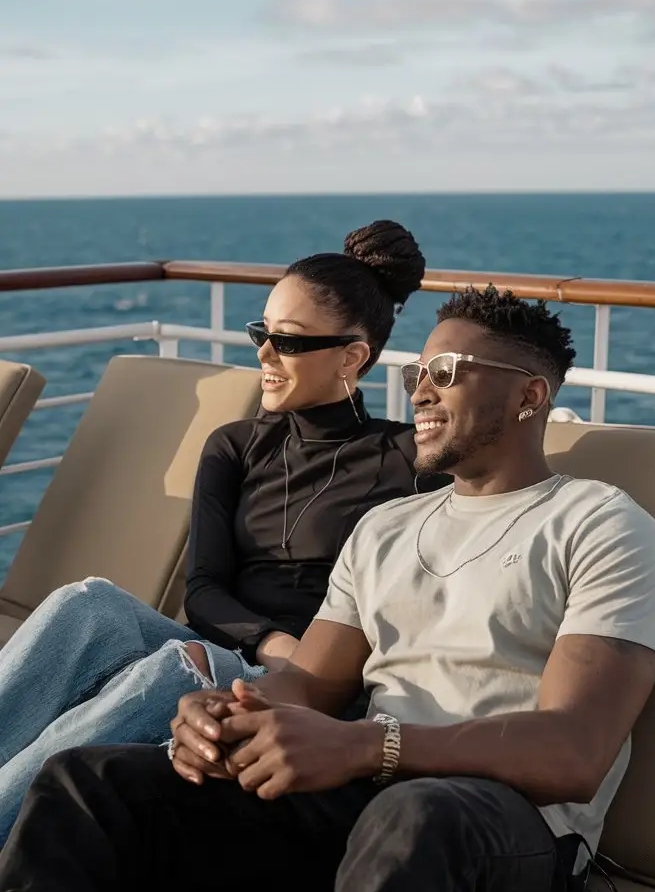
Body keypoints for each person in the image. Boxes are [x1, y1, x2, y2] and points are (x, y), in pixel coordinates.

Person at [0, 286, 655, 892]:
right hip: (361, 818)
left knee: (418, 814)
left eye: (445, 370)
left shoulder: (602, 526)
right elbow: (311, 684)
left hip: (505, 841)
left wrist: (367, 746)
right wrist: (226, 710)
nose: (418, 388)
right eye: (416, 370)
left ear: (528, 396)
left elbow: (577, 750)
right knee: (88, 784)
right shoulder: (387, 529)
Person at [0, 219, 440, 847]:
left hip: (313, 685)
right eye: (262, 333)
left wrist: (301, 664)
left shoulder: (409, 461)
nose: (264, 354)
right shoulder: (235, 446)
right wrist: (272, 644)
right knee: (87, 602)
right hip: (242, 649)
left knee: (180, 670)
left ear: (353, 357)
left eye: (288, 341)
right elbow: (203, 588)